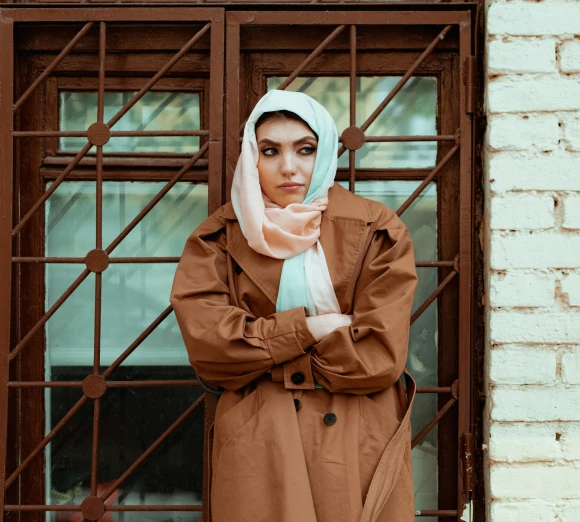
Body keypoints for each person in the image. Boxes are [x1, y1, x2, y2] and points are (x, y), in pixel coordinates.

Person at [169, 89, 418, 522]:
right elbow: (213, 352)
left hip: (357, 436)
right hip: (260, 435)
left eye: (306, 149)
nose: (289, 166)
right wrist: (314, 329)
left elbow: (377, 356)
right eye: (270, 151)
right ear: (252, 157)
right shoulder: (218, 238)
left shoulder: (378, 230)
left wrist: (260, 349)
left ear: (325, 152)